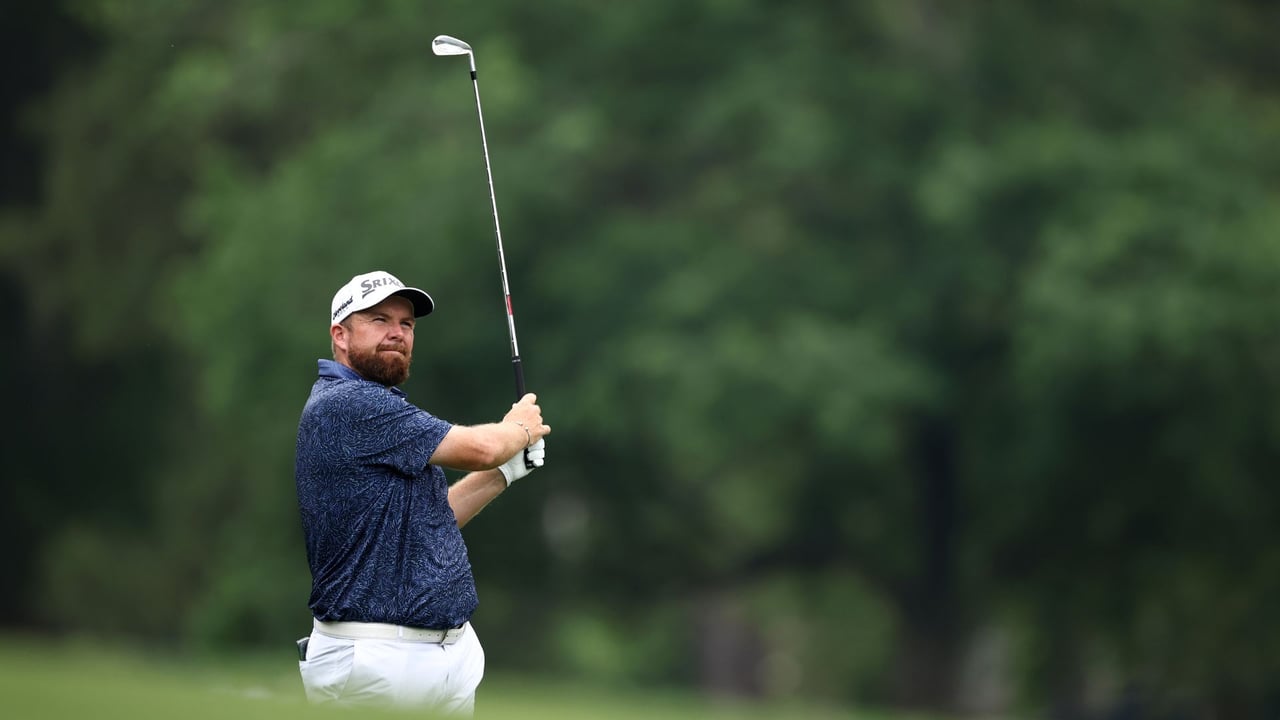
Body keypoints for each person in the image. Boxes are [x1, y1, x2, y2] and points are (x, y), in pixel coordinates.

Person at [294, 270, 550, 714]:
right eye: (378, 320)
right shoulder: (348, 403)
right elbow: (483, 447)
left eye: (406, 324)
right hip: (373, 660)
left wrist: (505, 473)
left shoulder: (381, 409)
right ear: (340, 335)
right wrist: (519, 430)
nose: (396, 333)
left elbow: (431, 520)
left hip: (440, 658)